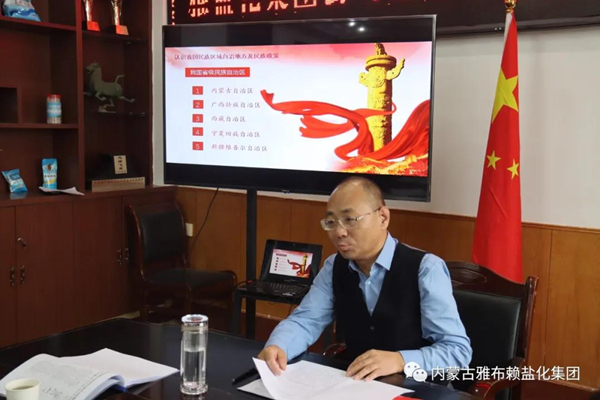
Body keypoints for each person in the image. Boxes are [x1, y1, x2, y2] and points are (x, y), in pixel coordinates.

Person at [258, 177, 472, 382]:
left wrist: (400, 360)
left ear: (383, 217)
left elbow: (457, 351)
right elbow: (306, 320)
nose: (339, 232)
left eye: (350, 220)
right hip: (358, 385)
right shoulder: (334, 266)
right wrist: (278, 346)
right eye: (331, 222)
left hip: (419, 387)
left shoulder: (425, 269)